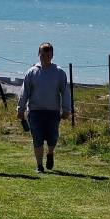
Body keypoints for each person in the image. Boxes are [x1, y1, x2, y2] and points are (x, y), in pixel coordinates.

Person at [17, 42, 71, 173]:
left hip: (53, 112)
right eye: (42, 54)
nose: (45, 57)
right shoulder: (32, 72)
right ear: (38, 54)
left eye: (48, 54)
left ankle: (50, 153)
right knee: (37, 138)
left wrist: (66, 109)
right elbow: (25, 92)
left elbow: (65, 92)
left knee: (53, 137)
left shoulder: (59, 72)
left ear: (52, 55)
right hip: (35, 112)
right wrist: (20, 109)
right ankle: (39, 165)